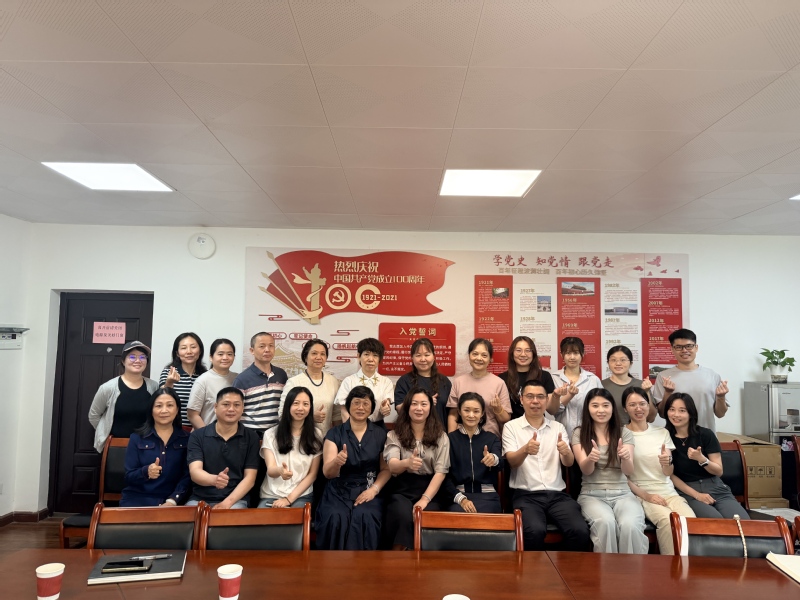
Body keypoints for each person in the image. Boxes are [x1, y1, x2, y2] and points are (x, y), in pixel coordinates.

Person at [503, 380, 589, 552]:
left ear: (547, 400)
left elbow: (568, 463)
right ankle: (534, 570)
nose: (535, 401)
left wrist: (566, 452)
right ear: (521, 399)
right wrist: (525, 450)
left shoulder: (558, 427)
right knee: (534, 531)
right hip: (526, 496)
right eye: (530, 396)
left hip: (557, 496)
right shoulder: (511, 427)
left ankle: (565, 568)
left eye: (540, 397)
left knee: (580, 531)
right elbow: (512, 462)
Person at [571, 388, 647, 555]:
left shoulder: (624, 433)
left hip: (623, 493)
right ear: (588, 408)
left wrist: (626, 458)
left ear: (612, 408)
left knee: (630, 525)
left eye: (606, 405)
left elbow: (628, 471)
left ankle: (632, 570)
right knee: (605, 523)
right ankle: (607, 571)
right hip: (592, 494)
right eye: (595, 406)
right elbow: (586, 470)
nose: (601, 410)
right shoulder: (579, 433)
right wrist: (590, 458)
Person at [315, 386, 391, 549]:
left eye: (365, 403)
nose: (360, 407)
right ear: (348, 405)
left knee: (365, 516)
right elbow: (328, 473)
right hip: (338, 489)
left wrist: (374, 490)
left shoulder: (381, 434)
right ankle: (332, 564)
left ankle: (364, 565)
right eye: (356, 403)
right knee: (335, 517)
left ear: (372, 408)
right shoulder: (334, 434)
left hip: (369, 487)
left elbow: (386, 470)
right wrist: (337, 462)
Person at [623, 387, 695, 555]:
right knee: (668, 522)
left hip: (668, 492)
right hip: (642, 494)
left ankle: (690, 566)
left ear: (649, 406)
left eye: (642, 403)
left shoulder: (661, 432)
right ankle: (671, 566)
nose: (638, 408)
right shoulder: (621, 434)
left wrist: (667, 462)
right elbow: (621, 476)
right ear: (625, 408)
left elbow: (668, 472)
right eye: (632, 405)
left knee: (690, 521)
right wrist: (647, 496)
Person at [383, 388, 451, 549]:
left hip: (430, 489)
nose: (419, 408)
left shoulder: (441, 436)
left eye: (423, 404)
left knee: (427, 516)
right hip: (402, 488)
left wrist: (424, 499)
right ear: (407, 407)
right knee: (401, 514)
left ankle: (423, 560)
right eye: (414, 404)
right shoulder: (394, 434)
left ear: (430, 408)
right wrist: (406, 463)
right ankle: (398, 557)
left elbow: (441, 472)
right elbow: (392, 465)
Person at [665, 392, 748, 519]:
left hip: (715, 487)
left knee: (741, 521)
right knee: (714, 521)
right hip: (687, 490)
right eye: (672, 409)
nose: (676, 414)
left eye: (682, 410)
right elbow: (670, 476)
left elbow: (719, 471)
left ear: (691, 413)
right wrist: (697, 495)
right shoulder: (665, 437)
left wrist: (702, 459)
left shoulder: (705, 434)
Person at [186, 387, 260, 509]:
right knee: (190, 517)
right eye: (226, 404)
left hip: (236, 500)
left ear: (242, 408)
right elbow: (195, 472)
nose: (231, 409)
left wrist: (226, 503)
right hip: (200, 498)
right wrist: (215, 480)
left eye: (237, 405)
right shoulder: (198, 436)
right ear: (215, 407)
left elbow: (250, 478)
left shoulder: (251, 437)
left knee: (229, 517)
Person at [121, 387, 191, 507]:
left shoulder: (187, 439)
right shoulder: (136, 438)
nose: (164, 410)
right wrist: (146, 471)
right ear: (151, 410)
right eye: (158, 406)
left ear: (177, 409)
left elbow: (188, 476)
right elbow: (128, 476)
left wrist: (173, 500)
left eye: (170, 405)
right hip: (139, 499)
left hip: (174, 501)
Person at [89, 340, 159, 453]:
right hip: (115, 447)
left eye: (142, 357)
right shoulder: (108, 388)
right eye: (132, 357)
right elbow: (93, 415)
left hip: (146, 446)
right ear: (123, 361)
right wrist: (105, 432)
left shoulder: (154, 386)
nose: (138, 360)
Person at [653, 329, 729, 431]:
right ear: (672, 349)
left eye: (689, 346)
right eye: (679, 347)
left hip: (706, 436)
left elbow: (720, 414)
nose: (684, 350)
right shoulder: (664, 376)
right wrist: (667, 393)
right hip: (675, 436)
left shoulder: (712, 376)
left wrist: (721, 397)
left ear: (696, 347)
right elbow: (662, 414)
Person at [259, 387, 322, 508]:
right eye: (296, 403)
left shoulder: (316, 435)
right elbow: (271, 470)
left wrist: (288, 499)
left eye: (305, 404)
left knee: (295, 518)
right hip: (271, 494)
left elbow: (312, 474)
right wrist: (280, 471)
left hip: (301, 495)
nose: (300, 408)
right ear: (288, 405)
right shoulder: (270, 434)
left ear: (310, 407)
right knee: (262, 519)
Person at [442, 391, 502, 513]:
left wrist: (493, 459)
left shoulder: (491, 438)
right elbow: (443, 475)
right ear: (459, 412)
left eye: (476, 411)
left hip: (488, 497)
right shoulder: (449, 440)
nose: (471, 415)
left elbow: (501, 462)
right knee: (457, 516)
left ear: (482, 413)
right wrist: (461, 499)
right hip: (458, 496)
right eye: (466, 410)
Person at [446, 338, 512, 438]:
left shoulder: (499, 383)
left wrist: (498, 409)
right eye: (475, 354)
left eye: (484, 355)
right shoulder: (458, 382)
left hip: (490, 439)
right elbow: (453, 414)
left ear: (490, 359)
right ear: (469, 356)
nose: (479, 358)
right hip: (462, 439)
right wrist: (452, 438)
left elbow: (505, 419)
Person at [280, 338, 340, 437]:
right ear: (305, 357)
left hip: (326, 438)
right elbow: (282, 413)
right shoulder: (294, 382)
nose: (319, 357)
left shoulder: (333, 381)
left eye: (322, 354)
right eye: (314, 353)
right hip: (300, 438)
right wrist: (310, 417)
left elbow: (337, 415)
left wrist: (338, 437)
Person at [547, 337, 602, 440]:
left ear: (582, 354)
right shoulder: (553, 378)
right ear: (561, 355)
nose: (572, 357)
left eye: (576, 353)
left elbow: (601, 407)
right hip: (561, 434)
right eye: (568, 353)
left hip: (588, 435)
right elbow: (552, 410)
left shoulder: (593, 379)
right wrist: (567, 396)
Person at [334, 338, 396, 425]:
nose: (370, 359)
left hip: (377, 426)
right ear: (359, 356)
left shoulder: (386, 382)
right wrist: (350, 429)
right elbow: (344, 411)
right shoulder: (349, 381)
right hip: (353, 425)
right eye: (366, 354)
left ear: (380, 359)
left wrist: (385, 408)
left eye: (375, 355)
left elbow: (386, 403)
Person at [394, 337, 451, 425]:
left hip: (440, 431)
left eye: (427, 355)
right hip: (411, 431)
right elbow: (399, 409)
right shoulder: (404, 381)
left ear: (434, 356)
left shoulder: (444, 381)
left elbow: (451, 411)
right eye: (418, 355)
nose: (423, 359)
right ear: (412, 358)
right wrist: (424, 402)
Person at [498, 336, 555, 419]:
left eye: (528, 350)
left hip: (538, 424)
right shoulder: (502, 378)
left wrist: (556, 396)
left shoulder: (544, 376)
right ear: (512, 353)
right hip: (512, 425)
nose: (523, 354)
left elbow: (552, 410)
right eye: (518, 350)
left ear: (533, 354)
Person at [186, 339, 238, 429]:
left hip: (234, 434)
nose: (225, 357)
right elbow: (192, 415)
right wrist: (207, 434)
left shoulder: (238, 379)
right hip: (208, 434)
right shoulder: (203, 380)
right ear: (211, 357)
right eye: (220, 354)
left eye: (229, 354)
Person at [159, 332, 206, 428]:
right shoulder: (169, 372)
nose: (189, 352)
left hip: (199, 429)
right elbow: (161, 399)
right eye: (184, 348)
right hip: (173, 429)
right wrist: (169, 383)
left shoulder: (205, 375)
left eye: (193, 347)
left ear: (200, 351)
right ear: (177, 353)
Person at [601, 345, 655, 425]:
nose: (618, 363)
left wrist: (646, 392)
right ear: (608, 363)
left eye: (623, 360)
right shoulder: (600, 385)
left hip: (636, 431)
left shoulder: (641, 385)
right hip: (609, 431)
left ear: (631, 363)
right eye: (613, 360)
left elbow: (651, 418)